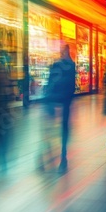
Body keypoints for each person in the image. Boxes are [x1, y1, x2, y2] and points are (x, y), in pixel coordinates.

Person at [45, 44, 76, 172]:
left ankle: (56, 154)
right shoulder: (70, 65)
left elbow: (50, 81)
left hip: (56, 98)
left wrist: (48, 96)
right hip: (64, 99)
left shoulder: (57, 64)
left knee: (51, 126)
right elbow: (71, 84)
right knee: (63, 127)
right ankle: (63, 155)